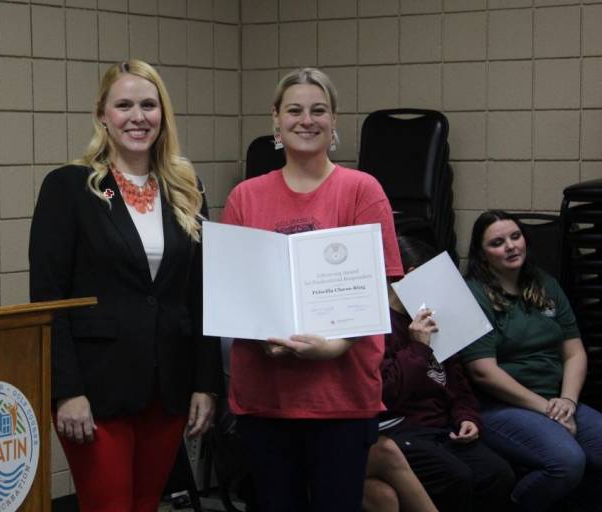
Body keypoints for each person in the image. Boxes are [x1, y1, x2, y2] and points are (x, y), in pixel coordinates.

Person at [29, 59, 221, 512]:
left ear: (163, 115)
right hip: (96, 392)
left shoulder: (186, 188)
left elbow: (203, 292)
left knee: (144, 505)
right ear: (102, 115)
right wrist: (65, 390)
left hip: (167, 387)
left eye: (149, 105)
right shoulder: (70, 187)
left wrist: (205, 384)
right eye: (124, 105)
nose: (138, 116)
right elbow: (49, 297)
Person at [220, 67, 404, 512]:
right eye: (295, 110)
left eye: (318, 110)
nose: (307, 120)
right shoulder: (244, 197)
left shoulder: (363, 191)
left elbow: (379, 291)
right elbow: (232, 294)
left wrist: (336, 345)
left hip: (340, 398)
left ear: (334, 119)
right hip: (266, 399)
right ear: (276, 121)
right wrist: (262, 337)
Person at [460, 209, 602, 512]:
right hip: (500, 406)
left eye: (515, 236)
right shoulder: (473, 295)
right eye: (497, 243)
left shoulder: (545, 283)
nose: (511, 246)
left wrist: (568, 402)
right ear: (482, 255)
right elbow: (483, 372)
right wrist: (549, 411)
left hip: (556, 400)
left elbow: (574, 352)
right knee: (567, 462)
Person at [381, 236, 514, 511]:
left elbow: (457, 382)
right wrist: (418, 346)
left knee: (497, 473)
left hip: (441, 427)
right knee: (456, 477)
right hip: (401, 428)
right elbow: (388, 393)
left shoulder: (436, 318)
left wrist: (467, 417)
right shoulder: (380, 325)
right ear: (411, 276)